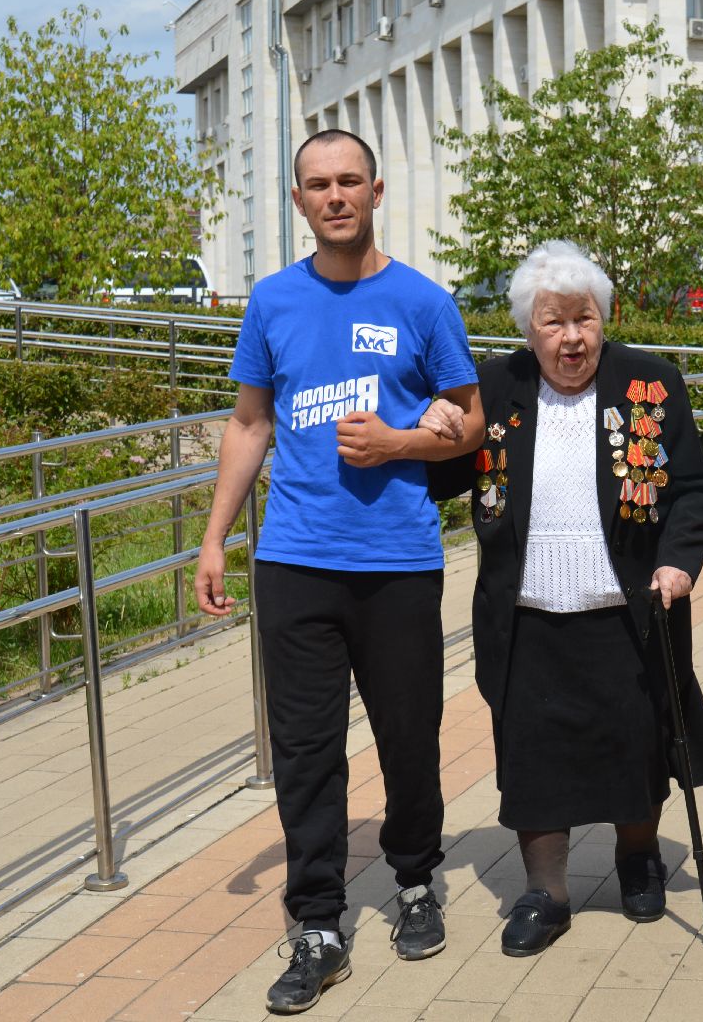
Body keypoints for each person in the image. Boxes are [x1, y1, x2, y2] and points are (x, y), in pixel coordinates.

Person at [193, 129, 485, 1015]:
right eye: (317, 184)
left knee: (409, 736)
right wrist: (214, 540)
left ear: (376, 189)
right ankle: (317, 921)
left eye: (349, 180)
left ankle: (414, 880)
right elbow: (249, 425)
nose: (334, 196)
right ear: (299, 201)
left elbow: (471, 424)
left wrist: (399, 442)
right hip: (294, 563)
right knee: (307, 753)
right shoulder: (274, 303)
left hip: (397, 563)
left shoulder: (423, 302)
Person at [422, 240, 703, 956]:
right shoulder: (493, 386)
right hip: (524, 615)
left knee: (636, 745)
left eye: (584, 320)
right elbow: (444, 481)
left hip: (625, 608)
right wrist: (434, 433)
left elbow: (693, 487)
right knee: (533, 761)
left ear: (603, 319)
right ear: (529, 329)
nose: (571, 338)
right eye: (553, 323)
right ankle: (545, 893)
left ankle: (638, 857)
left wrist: (679, 564)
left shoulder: (650, 382)